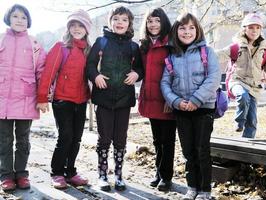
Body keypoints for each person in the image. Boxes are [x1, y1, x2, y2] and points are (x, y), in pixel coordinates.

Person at [161, 12, 221, 200]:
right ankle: (192, 187)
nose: (187, 32)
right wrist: (176, 102)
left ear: (198, 30)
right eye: (182, 28)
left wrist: (196, 100)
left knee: (201, 149)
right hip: (181, 110)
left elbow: (213, 78)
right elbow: (165, 83)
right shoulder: (172, 56)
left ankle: (205, 190)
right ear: (176, 31)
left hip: (203, 108)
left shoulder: (207, 52)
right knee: (188, 151)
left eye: (191, 28)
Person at [86, 6, 143, 191]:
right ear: (110, 21)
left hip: (124, 100)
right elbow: (90, 65)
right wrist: (96, 76)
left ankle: (118, 175)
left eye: (124, 20)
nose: (120, 22)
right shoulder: (101, 42)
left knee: (120, 139)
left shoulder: (134, 47)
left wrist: (136, 74)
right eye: (116, 19)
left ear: (129, 24)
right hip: (103, 99)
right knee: (104, 139)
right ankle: (102, 175)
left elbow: (141, 69)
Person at [36, 9, 92, 189]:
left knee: (76, 138)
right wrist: (42, 97)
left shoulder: (89, 50)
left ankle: (71, 171)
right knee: (65, 136)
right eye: (73, 25)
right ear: (68, 28)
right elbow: (48, 73)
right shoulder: (61, 47)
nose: (76, 28)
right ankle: (57, 172)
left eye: (80, 25)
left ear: (86, 29)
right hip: (62, 99)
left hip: (81, 99)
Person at [0, 4, 46, 191]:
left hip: (26, 99)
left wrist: (43, 97)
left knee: (23, 139)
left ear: (28, 21)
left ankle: (21, 174)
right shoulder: (1, 40)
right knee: (4, 139)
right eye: (15, 16)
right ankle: (6, 175)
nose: (19, 20)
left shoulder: (34, 44)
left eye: (23, 17)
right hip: (2, 98)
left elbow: (41, 71)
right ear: (8, 18)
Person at [217, 12, 266, 138]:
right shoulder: (237, 47)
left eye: (257, 27)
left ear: (261, 30)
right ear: (244, 29)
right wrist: (204, 52)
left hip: (254, 86)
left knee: (253, 121)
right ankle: (239, 121)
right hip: (237, 81)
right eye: (250, 27)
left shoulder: (264, 50)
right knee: (243, 96)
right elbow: (220, 55)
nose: (254, 31)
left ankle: (247, 145)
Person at [138, 8, 176, 191]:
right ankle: (158, 173)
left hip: (167, 99)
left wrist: (172, 99)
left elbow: (176, 73)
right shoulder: (144, 45)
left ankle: (166, 176)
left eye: (157, 21)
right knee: (156, 140)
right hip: (151, 97)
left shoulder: (171, 43)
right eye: (150, 21)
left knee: (167, 140)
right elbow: (139, 71)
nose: (153, 25)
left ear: (164, 23)